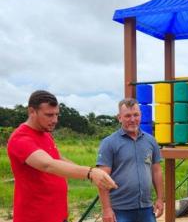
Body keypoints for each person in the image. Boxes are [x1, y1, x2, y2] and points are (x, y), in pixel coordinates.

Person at [7, 90, 117, 222]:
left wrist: (92, 174)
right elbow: (48, 164)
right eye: (49, 115)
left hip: (58, 215)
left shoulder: (45, 132)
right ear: (32, 111)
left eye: (56, 114)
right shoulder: (20, 139)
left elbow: (57, 158)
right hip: (35, 217)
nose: (55, 120)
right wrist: (90, 173)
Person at [97, 98, 164, 222]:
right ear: (119, 117)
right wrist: (106, 209)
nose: (132, 119)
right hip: (120, 210)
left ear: (140, 115)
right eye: (127, 116)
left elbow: (157, 171)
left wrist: (160, 198)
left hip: (146, 208)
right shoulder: (109, 143)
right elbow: (102, 178)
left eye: (136, 115)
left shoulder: (150, 141)